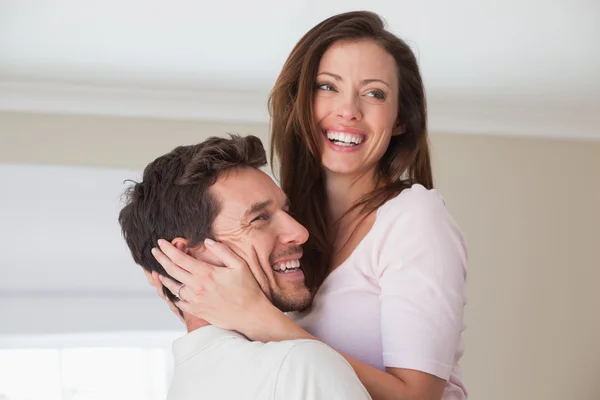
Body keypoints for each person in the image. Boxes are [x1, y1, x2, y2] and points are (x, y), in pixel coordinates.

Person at [150, 10, 468, 400]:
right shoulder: (284, 223)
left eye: (374, 93)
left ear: (400, 119)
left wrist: (260, 318)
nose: (348, 109)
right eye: (327, 86)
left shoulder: (413, 218)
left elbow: (419, 397)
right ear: (298, 102)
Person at [118, 135, 372, 400]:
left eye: (288, 211)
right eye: (259, 218)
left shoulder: (185, 386)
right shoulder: (297, 365)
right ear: (185, 257)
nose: (300, 232)